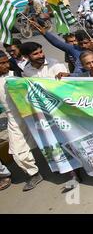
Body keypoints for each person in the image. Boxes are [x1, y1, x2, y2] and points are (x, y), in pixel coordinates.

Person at [0, 50, 42, 191]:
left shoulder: (16, 75)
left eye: (7, 62)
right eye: (2, 63)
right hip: (14, 118)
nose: (6, 65)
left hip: (32, 113)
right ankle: (34, 174)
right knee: (18, 151)